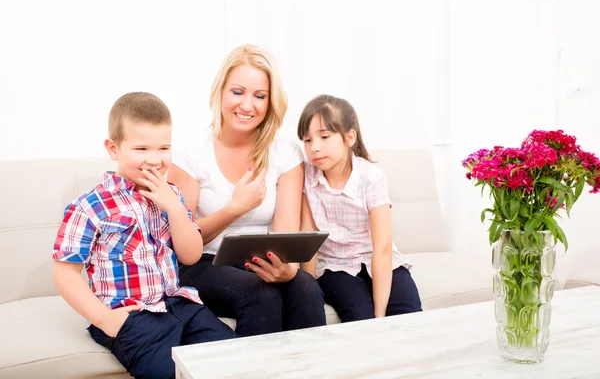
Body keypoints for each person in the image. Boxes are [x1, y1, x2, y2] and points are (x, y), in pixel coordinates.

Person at [52, 92, 237, 379]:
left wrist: (176, 210)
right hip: (132, 315)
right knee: (165, 373)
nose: (155, 159)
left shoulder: (171, 194)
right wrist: (105, 319)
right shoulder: (92, 206)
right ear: (114, 149)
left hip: (178, 303)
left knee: (234, 360)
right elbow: (64, 272)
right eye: (141, 149)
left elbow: (190, 255)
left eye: (164, 148)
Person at [168, 44, 326, 336]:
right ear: (220, 92)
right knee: (259, 294)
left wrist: (288, 269)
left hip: (262, 259)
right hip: (203, 261)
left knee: (306, 287)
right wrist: (235, 208)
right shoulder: (190, 153)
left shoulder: (285, 152)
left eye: (259, 96)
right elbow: (183, 244)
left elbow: (285, 235)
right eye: (238, 92)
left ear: (270, 102)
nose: (247, 105)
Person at [297, 94, 422, 323]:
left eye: (324, 137)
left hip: (378, 259)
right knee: (359, 316)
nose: (314, 147)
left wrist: (380, 316)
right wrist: (307, 289)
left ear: (349, 137)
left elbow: (382, 247)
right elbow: (309, 237)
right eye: (307, 140)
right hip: (334, 267)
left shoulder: (371, 177)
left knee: (408, 313)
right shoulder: (306, 175)